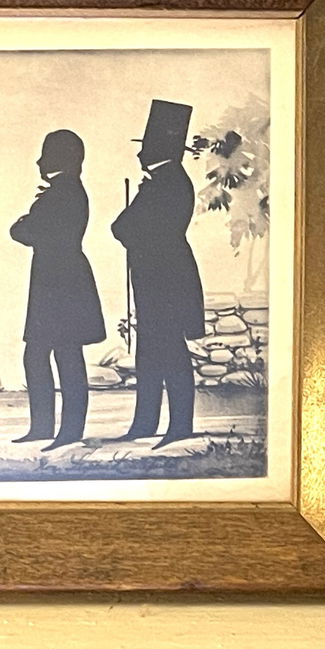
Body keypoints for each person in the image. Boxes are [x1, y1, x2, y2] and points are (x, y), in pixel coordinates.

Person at [112, 99, 206, 448]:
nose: (139, 155)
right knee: (151, 350)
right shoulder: (165, 181)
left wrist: (133, 220)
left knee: (168, 349)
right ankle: (146, 422)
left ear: (158, 148)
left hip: (164, 278)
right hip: (158, 277)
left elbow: (123, 227)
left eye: (145, 147)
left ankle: (178, 425)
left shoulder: (164, 183)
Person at [8, 129, 104, 450]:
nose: (39, 161)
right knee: (42, 354)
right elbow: (29, 230)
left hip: (60, 283)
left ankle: (68, 431)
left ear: (59, 158)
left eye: (45, 154)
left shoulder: (62, 193)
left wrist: (27, 222)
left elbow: (24, 231)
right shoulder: (65, 191)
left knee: (63, 354)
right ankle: (45, 427)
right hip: (58, 281)